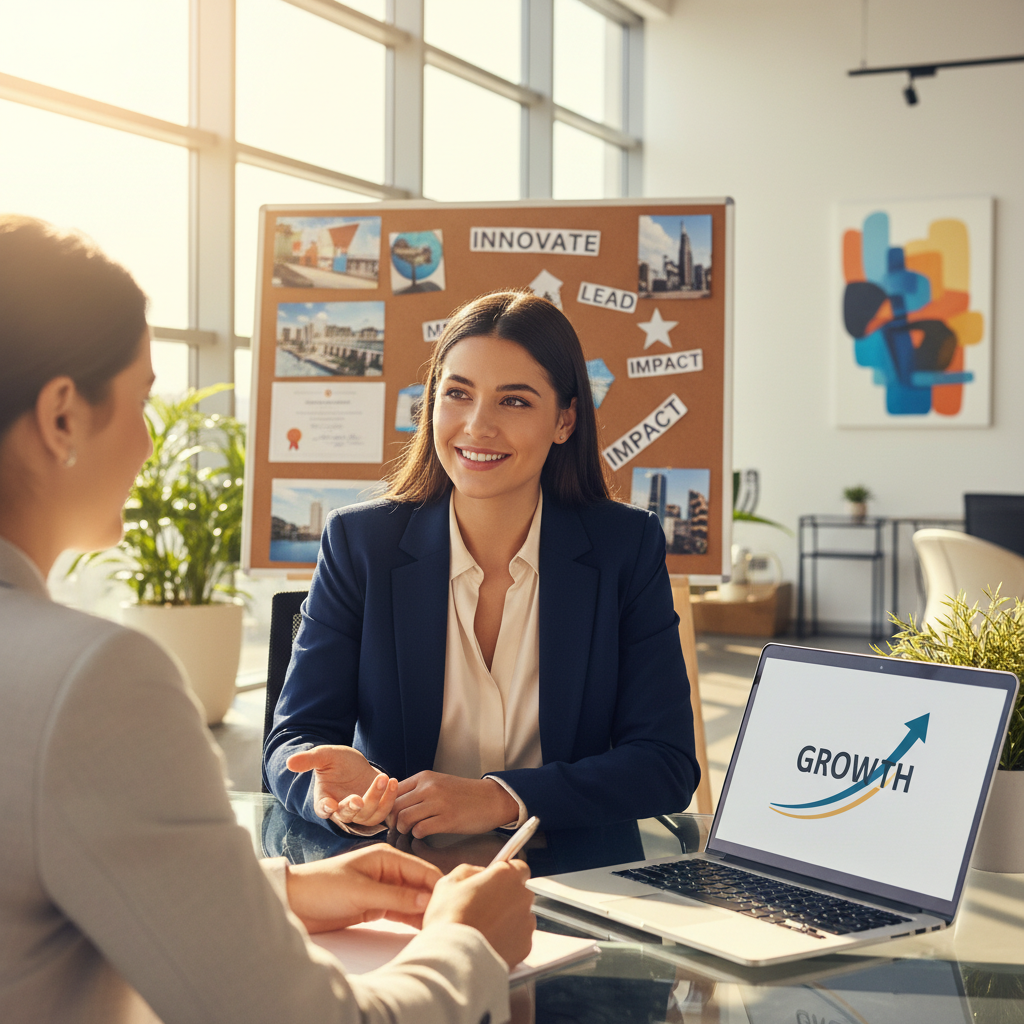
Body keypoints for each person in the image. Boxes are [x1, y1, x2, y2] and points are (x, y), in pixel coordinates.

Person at [0, 215, 535, 1024]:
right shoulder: (93, 682)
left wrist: (279, 888)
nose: (150, 443)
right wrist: (469, 945)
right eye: (143, 401)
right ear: (62, 417)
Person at [264, 290, 700, 873]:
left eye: (514, 401)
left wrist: (501, 798)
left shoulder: (626, 548)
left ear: (565, 419)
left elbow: (666, 764)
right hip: (401, 878)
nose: (477, 426)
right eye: (457, 394)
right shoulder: (360, 544)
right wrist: (331, 795)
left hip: (577, 882)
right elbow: (294, 741)